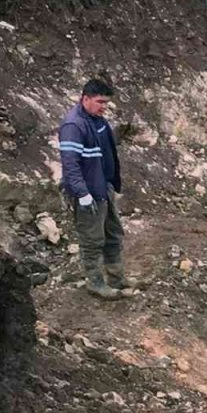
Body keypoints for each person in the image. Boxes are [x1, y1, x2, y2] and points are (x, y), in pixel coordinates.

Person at [58, 77, 134, 301]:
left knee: (113, 234)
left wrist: (111, 183)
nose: (104, 107)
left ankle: (117, 278)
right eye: (100, 102)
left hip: (104, 188)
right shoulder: (74, 125)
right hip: (89, 193)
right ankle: (95, 282)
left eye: (106, 103)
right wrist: (82, 194)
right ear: (85, 99)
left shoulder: (98, 121)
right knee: (92, 240)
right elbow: (70, 165)